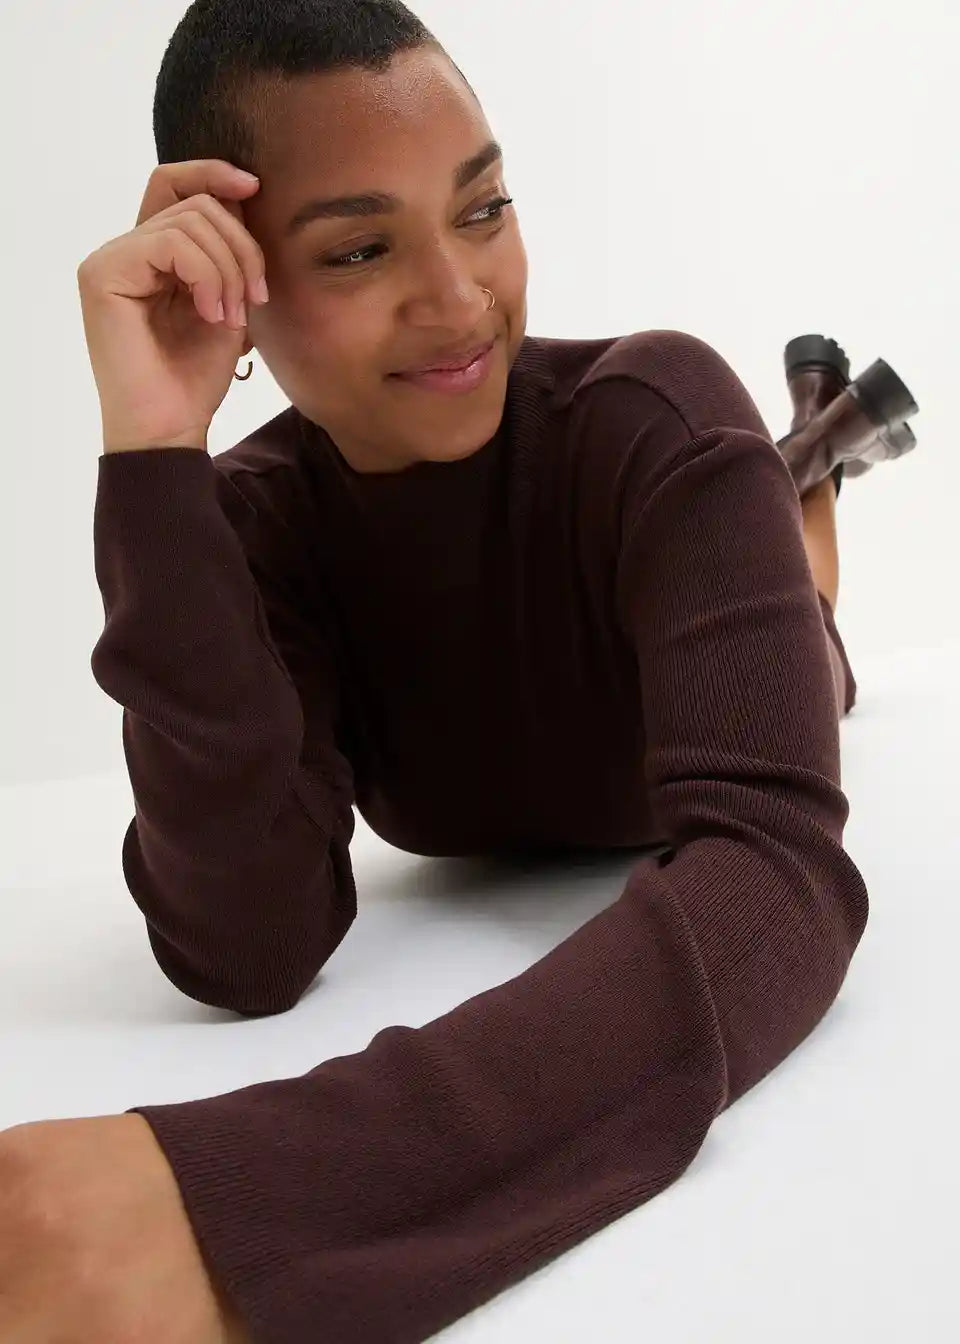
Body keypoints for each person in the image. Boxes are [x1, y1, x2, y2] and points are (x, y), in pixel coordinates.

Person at [57, 1, 909, 1339]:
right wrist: (157, 459)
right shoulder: (243, 535)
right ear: (237, 286)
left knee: (811, 629)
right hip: (638, 558)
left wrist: (257, 1198)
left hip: (699, 587)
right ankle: (816, 438)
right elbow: (248, 948)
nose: (461, 300)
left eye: (484, 207)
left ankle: (807, 457)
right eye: (359, 249)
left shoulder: (657, 419)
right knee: (766, 509)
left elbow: (774, 885)